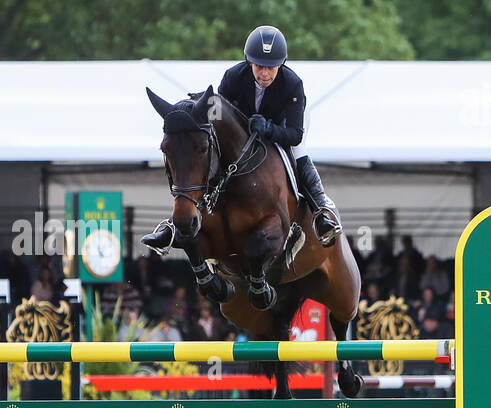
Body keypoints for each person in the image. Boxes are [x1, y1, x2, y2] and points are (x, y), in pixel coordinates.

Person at [142, 25, 342, 251]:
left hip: (282, 127)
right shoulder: (233, 77)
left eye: (271, 67)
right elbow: (217, 116)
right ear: (249, 62)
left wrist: (268, 128)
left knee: (298, 154)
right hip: (244, 131)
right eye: (259, 66)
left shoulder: (292, 84)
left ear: (281, 65)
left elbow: (295, 136)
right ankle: (174, 225)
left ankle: (320, 211)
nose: (264, 73)